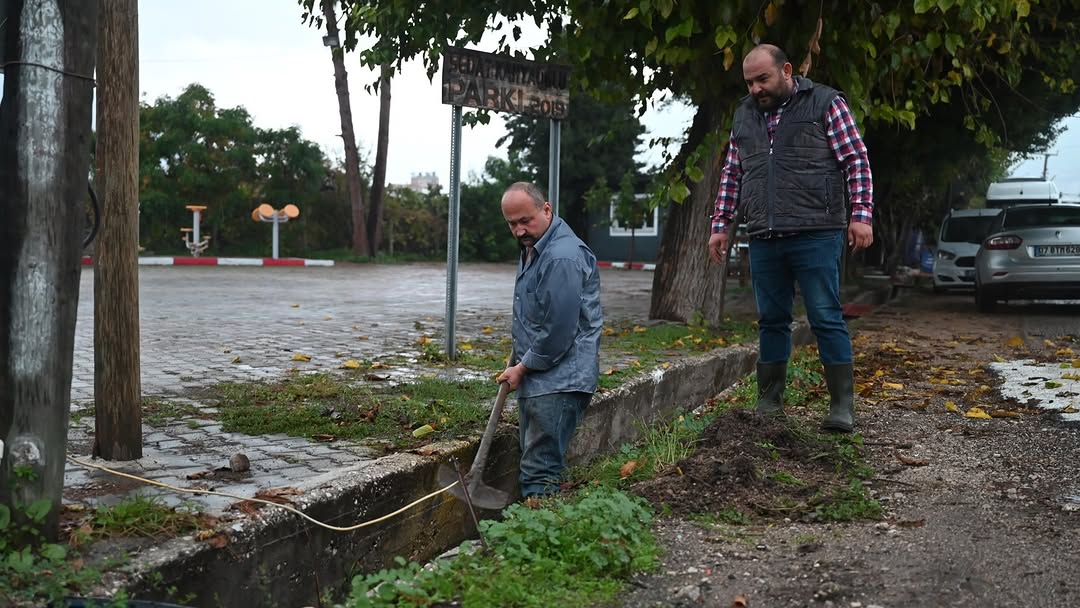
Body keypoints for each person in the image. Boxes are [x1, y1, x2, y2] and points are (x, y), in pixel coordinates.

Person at [707, 44, 874, 433]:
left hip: (817, 232)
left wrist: (861, 215)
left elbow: (856, 160)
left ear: (786, 70)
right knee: (771, 320)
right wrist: (720, 224)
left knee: (825, 316)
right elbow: (733, 173)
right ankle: (769, 403)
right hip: (765, 235)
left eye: (762, 79)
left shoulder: (825, 103)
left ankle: (841, 407)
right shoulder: (744, 115)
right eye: (749, 82)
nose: (756, 89)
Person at [497, 182, 603, 498]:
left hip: (559, 380)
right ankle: (538, 520)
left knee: (539, 471)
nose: (519, 231)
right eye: (512, 224)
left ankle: (540, 525)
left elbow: (559, 331)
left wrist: (522, 367)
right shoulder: (535, 246)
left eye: (525, 221)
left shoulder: (561, 257)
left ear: (546, 209)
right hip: (543, 377)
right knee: (536, 461)